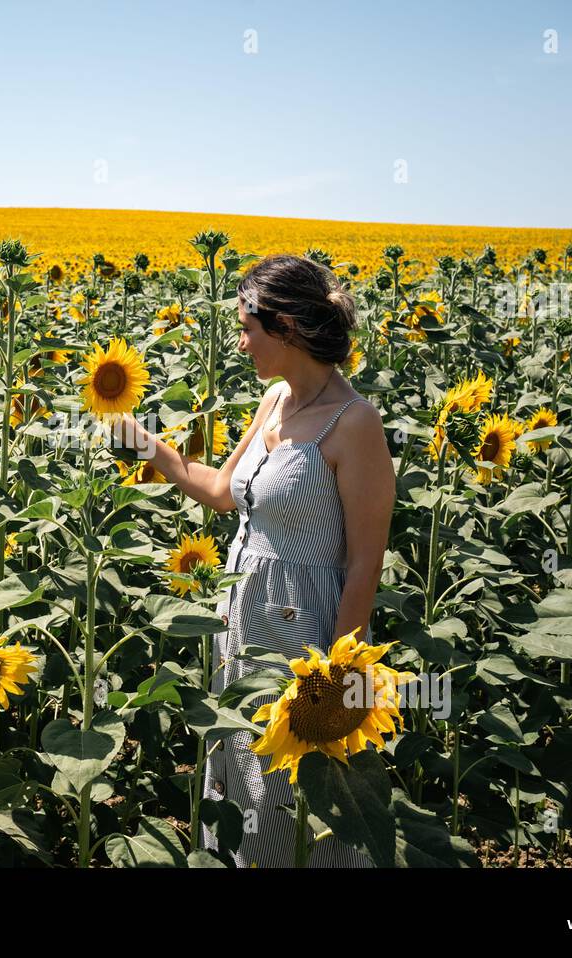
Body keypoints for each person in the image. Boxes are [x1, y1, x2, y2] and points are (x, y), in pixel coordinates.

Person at [110, 253, 396, 867]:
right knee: (244, 776)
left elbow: (366, 563)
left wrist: (335, 680)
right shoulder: (274, 401)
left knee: (300, 797)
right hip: (244, 629)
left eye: (248, 329)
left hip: (309, 638)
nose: (241, 343)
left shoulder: (355, 424)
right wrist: (146, 444)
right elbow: (223, 491)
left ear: (286, 327)